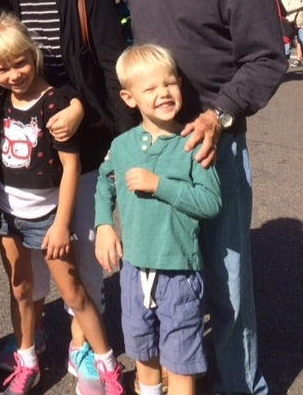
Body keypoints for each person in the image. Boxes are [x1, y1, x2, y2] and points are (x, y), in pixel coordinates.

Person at [122, 0, 287, 394]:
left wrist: (219, 115)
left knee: (225, 279)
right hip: (157, 146)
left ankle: (242, 386)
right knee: (167, 271)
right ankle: (179, 370)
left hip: (215, 142)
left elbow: (267, 58)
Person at [0, 0, 136, 391]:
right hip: (25, 152)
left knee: (87, 258)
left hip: (85, 137)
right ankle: (36, 344)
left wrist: (115, 132)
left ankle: (83, 350)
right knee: (30, 267)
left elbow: (110, 64)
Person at [0, 14, 125, 395]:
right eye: (3, 69)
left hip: (48, 216)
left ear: (35, 55)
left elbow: (71, 166)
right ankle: (27, 361)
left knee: (73, 291)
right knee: (22, 290)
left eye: (21, 62)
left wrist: (61, 224)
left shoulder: (54, 102)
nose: (14, 74)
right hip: (8, 216)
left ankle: (108, 367)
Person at [94, 44, 222, 395]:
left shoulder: (193, 144)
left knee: (181, 361)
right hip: (134, 270)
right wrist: (104, 224)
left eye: (170, 83)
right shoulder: (122, 145)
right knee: (143, 352)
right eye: (150, 88)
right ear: (129, 97)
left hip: (180, 272)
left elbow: (211, 202)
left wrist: (160, 186)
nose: (163, 93)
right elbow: (104, 184)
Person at [281, 0, 303, 67]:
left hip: (300, 24)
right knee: (287, 47)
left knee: (301, 42)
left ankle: (298, 60)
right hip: (289, 24)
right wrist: (300, 5)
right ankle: (282, 66)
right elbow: (284, 8)